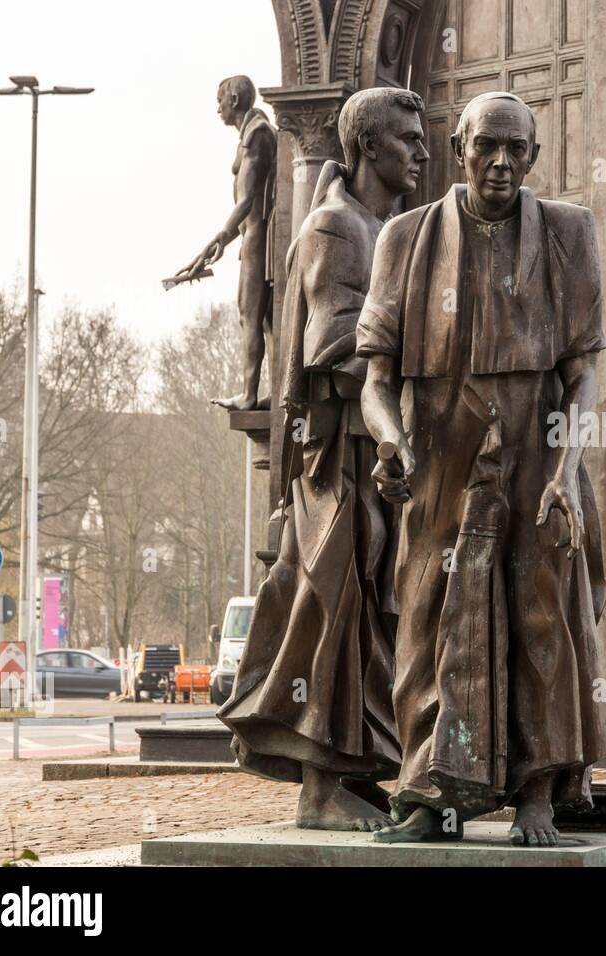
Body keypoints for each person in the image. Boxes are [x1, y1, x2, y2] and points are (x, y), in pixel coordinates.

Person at [358, 91, 606, 847]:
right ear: (458, 148)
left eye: (516, 150)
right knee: (431, 617)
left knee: (542, 617)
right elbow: (375, 380)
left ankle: (537, 789)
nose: (501, 163)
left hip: (537, 441)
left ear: (533, 156)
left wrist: (568, 467)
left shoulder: (568, 232)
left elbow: (585, 375)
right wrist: (389, 441)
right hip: (440, 446)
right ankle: (431, 793)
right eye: (485, 148)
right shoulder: (405, 238)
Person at [219, 88, 430, 832]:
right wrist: (420, 367)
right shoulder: (337, 228)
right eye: (409, 138)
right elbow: (331, 348)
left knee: (372, 615)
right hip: (337, 457)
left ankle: (352, 768)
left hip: (377, 454)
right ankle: (316, 788)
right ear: (369, 145)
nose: (422, 152)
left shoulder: (385, 227)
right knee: (331, 609)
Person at [173, 75, 278, 412]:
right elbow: (247, 207)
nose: (217, 108)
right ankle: (272, 390)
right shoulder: (253, 133)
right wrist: (221, 240)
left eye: (219, 100)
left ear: (234, 98)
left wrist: (222, 235)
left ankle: (249, 394)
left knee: (250, 313)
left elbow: (248, 201)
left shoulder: (256, 134)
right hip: (254, 234)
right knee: (264, 319)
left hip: (260, 238)